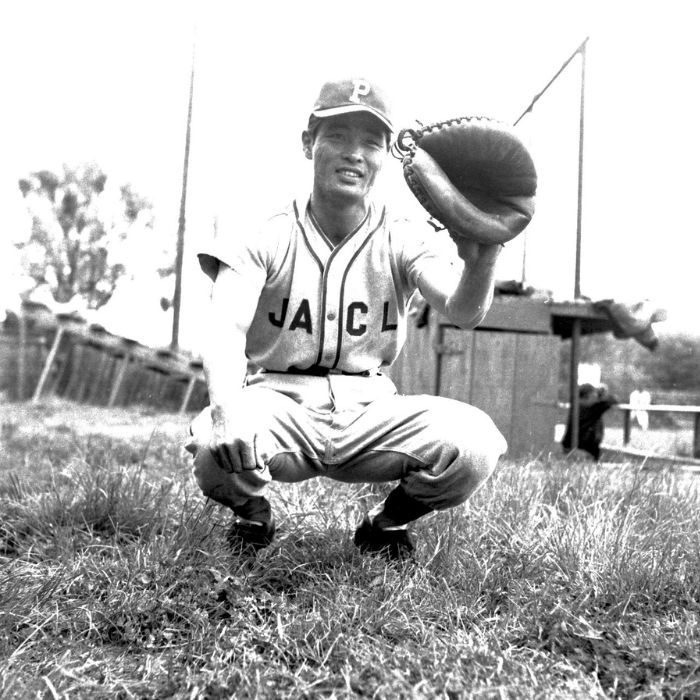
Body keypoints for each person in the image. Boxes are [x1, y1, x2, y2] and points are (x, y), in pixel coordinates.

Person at [185, 77, 507, 561]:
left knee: (477, 442)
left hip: (370, 406)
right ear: (308, 143)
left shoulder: (403, 233)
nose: (353, 153)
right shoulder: (263, 228)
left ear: (384, 157)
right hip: (278, 401)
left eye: (370, 141)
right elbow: (225, 329)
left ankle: (386, 524)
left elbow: (463, 311)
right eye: (337, 135)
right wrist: (227, 412)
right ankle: (252, 512)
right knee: (214, 440)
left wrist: (483, 258)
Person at [561, 383, 618, 461]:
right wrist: (601, 394)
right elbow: (613, 399)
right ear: (587, 397)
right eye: (594, 396)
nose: (595, 399)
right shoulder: (589, 409)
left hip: (570, 447)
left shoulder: (577, 406)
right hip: (582, 450)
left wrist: (596, 393)